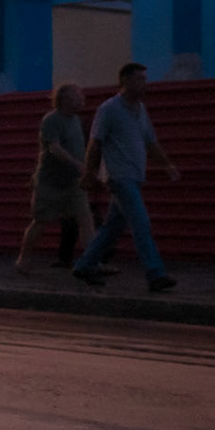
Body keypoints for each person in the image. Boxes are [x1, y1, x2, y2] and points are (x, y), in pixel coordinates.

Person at [72, 63, 181, 292]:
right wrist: (90, 172)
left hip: (134, 176)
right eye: (140, 79)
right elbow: (95, 142)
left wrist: (166, 164)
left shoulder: (141, 110)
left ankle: (84, 265)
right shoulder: (109, 109)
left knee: (112, 227)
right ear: (126, 81)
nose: (144, 83)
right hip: (119, 178)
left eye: (145, 79)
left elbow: (151, 142)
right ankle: (155, 273)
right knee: (141, 224)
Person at [15, 83, 96, 275]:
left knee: (86, 219)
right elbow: (54, 147)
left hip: (74, 183)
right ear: (65, 99)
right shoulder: (51, 120)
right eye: (77, 96)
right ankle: (23, 260)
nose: (82, 99)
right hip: (50, 183)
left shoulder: (76, 120)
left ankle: (93, 261)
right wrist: (77, 164)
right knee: (40, 221)